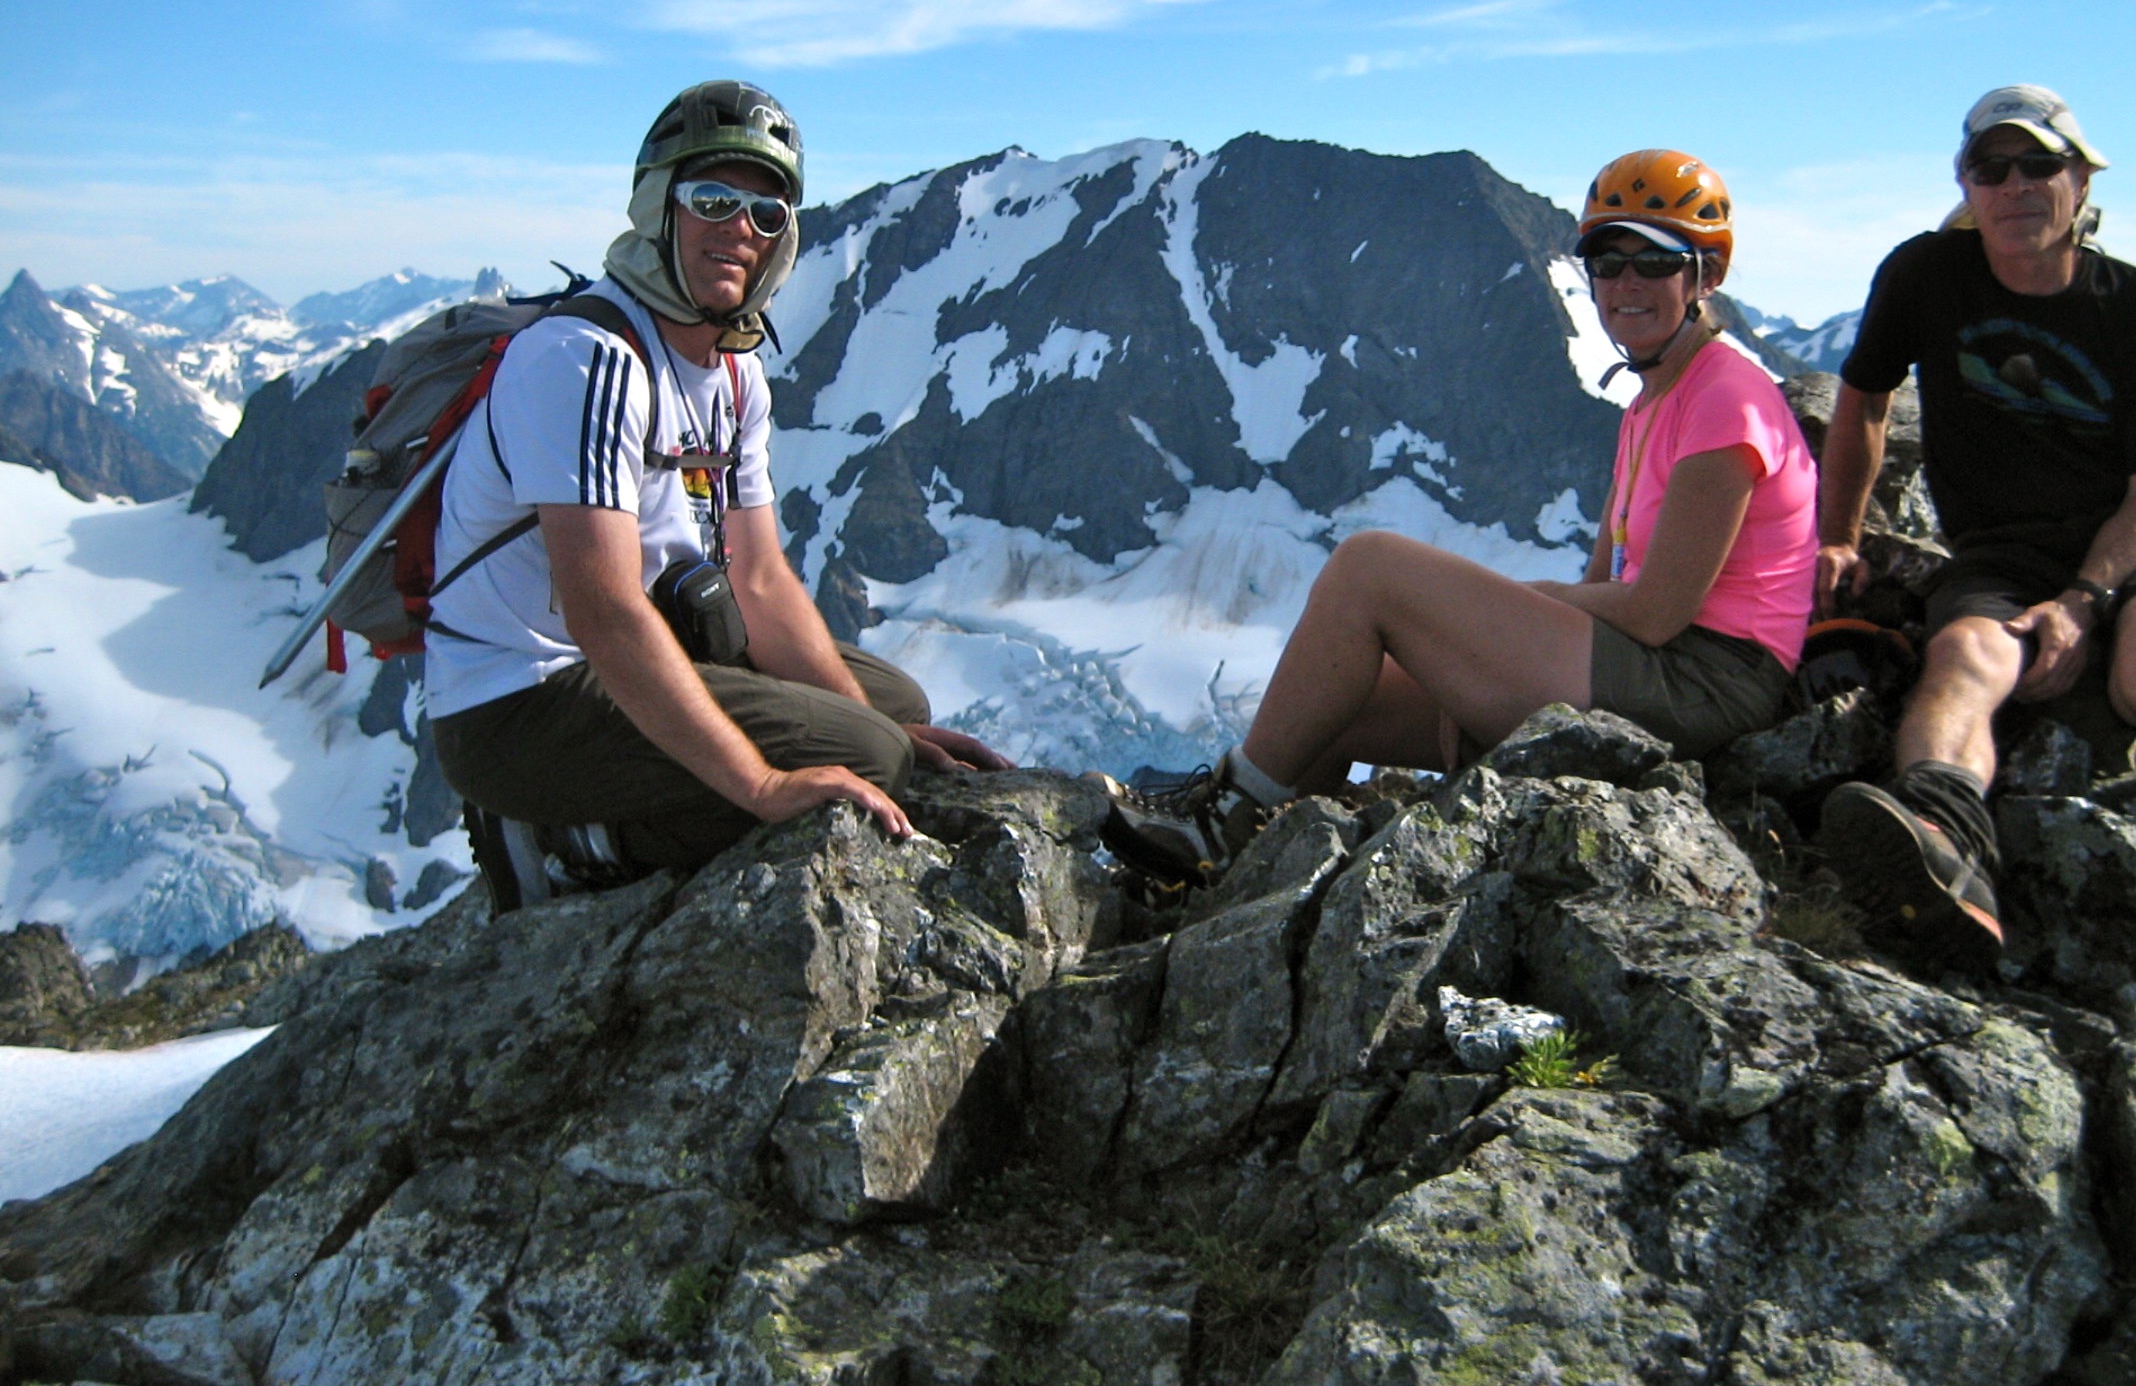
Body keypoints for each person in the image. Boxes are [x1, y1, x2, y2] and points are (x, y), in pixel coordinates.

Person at [1098, 148, 1819, 883]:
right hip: (1651, 665)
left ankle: (1225, 815)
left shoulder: (1727, 399)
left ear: (1706, 276)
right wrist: (1490, 636)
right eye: (1607, 260)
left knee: (1370, 567)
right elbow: (1605, 582)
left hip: (1702, 684)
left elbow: (1657, 611)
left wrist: (1522, 607)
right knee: (1334, 698)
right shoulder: (1650, 403)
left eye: (1656, 260)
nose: (1627, 283)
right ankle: (1238, 875)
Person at [427, 81, 1005, 900]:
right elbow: (601, 610)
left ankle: (744, 771)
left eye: (768, 215)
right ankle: (569, 839)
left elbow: (760, 580)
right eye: (712, 199)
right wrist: (763, 788)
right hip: (520, 704)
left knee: (893, 711)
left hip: (622, 659)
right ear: (659, 205)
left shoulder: (734, 377)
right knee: (872, 756)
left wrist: (878, 727)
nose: (741, 229)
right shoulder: (587, 360)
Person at [1814, 84, 2136, 964]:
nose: (2016, 185)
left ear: (2081, 184)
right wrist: (1839, 536)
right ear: (1966, 183)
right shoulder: (1926, 274)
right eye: (1992, 166)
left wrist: (2085, 601)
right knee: (1965, 657)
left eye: (2040, 165)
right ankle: (1942, 838)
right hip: (1999, 556)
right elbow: (1862, 397)